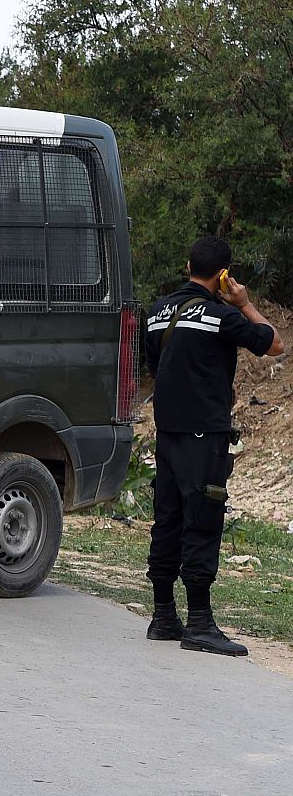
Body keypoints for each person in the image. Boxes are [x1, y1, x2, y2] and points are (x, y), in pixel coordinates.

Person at [142, 236, 284, 657]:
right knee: (202, 520)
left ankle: (164, 615)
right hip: (204, 434)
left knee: (166, 518)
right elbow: (274, 343)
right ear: (223, 275)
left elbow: (155, 366)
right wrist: (243, 301)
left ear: (187, 265)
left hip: (167, 432)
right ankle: (200, 623)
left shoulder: (156, 314)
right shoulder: (223, 315)